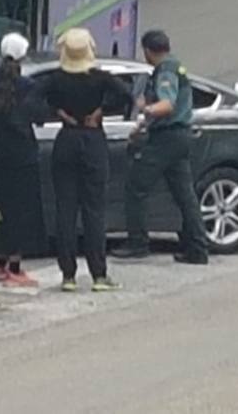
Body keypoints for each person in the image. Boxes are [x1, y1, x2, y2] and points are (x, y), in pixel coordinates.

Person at [114, 30, 210, 265]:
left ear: (148, 50)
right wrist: (141, 127)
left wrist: (145, 108)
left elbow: (166, 105)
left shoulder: (166, 71)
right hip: (179, 136)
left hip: (167, 138)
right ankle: (197, 247)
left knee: (135, 186)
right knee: (185, 195)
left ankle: (137, 243)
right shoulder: (176, 66)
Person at [45, 28, 130, 292]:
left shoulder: (55, 79)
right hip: (92, 139)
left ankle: (68, 275)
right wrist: (101, 111)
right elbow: (126, 95)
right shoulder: (100, 78)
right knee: (94, 210)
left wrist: (58, 111)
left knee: (66, 210)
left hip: (67, 138)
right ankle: (99, 274)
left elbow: (33, 98)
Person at [0, 32, 46, 288]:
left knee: (2, 206)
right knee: (22, 209)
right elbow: (39, 116)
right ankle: (16, 267)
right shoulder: (28, 86)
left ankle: (0, 263)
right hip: (23, 154)